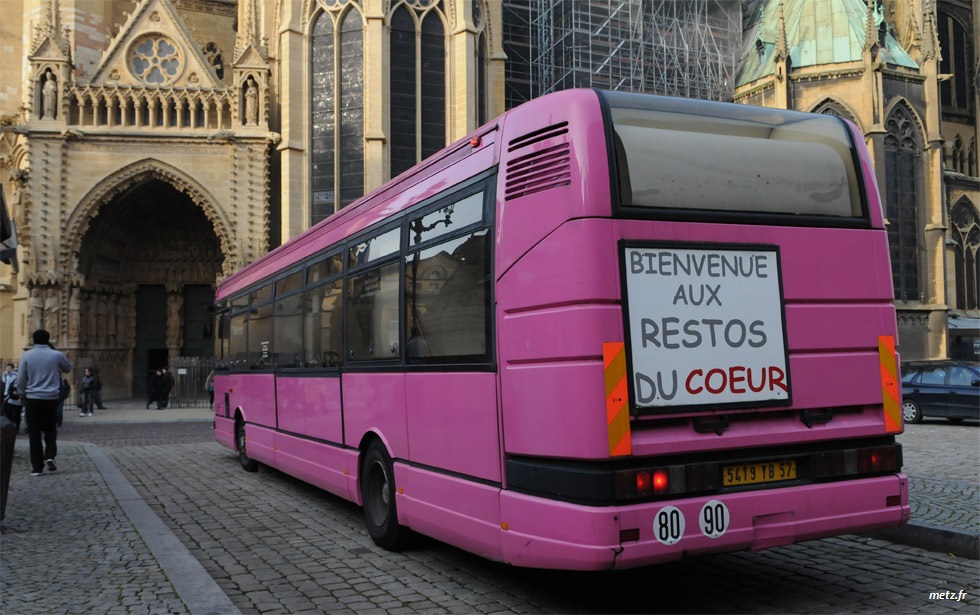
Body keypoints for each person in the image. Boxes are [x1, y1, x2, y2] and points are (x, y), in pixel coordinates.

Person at [16, 329, 72, 476]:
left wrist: (22, 394)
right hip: (50, 398)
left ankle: (36, 467)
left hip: (33, 398)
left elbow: (21, 378)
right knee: (50, 429)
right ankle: (50, 455)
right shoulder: (56, 355)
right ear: (48, 339)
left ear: (33, 340)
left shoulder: (27, 355)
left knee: (34, 433)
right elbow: (68, 368)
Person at [2, 363, 22, 432]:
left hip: (19, 400)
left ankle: (16, 428)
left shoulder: (21, 381)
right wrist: (10, 393)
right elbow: (9, 388)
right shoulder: (7, 377)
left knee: (17, 415)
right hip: (10, 398)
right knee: (8, 413)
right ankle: (10, 427)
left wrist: (18, 393)